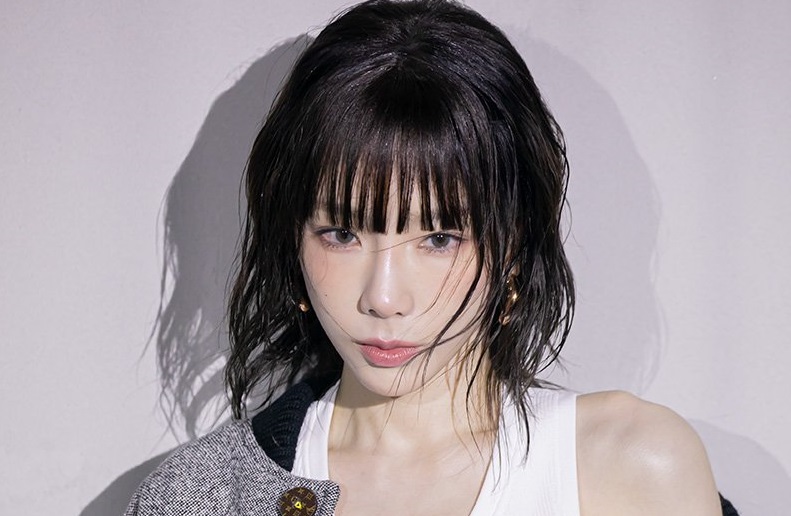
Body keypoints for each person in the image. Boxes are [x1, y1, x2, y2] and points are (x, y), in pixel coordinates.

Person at [126, 0, 739, 514]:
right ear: (293, 239)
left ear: (513, 244)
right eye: (341, 234)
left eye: (439, 238)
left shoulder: (631, 466)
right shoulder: (198, 497)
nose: (384, 298)